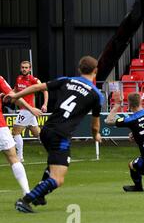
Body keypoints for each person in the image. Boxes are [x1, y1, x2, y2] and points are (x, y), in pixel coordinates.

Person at [5, 56, 104, 213]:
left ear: (79, 69)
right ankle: (26, 200)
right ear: (96, 70)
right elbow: (95, 124)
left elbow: (38, 88)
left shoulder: (67, 80)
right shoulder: (97, 95)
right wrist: (96, 136)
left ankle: (40, 195)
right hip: (60, 136)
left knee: (56, 163)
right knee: (58, 178)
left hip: (46, 131)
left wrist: (16, 96)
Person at [0, 75, 42, 197]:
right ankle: (27, 192)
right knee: (13, 157)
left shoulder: (30, 79)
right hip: (1, 126)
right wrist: (31, 108)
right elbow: (14, 96)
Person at [12, 61, 49, 163]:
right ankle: (54, 150)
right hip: (28, 111)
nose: (24, 69)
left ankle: (19, 157)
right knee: (38, 133)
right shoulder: (18, 78)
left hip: (27, 110)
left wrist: (45, 104)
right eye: (23, 67)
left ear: (30, 69)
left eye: (26, 67)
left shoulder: (34, 80)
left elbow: (45, 90)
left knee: (15, 132)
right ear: (20, 68)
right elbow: (15, 90)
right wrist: (7, 95)